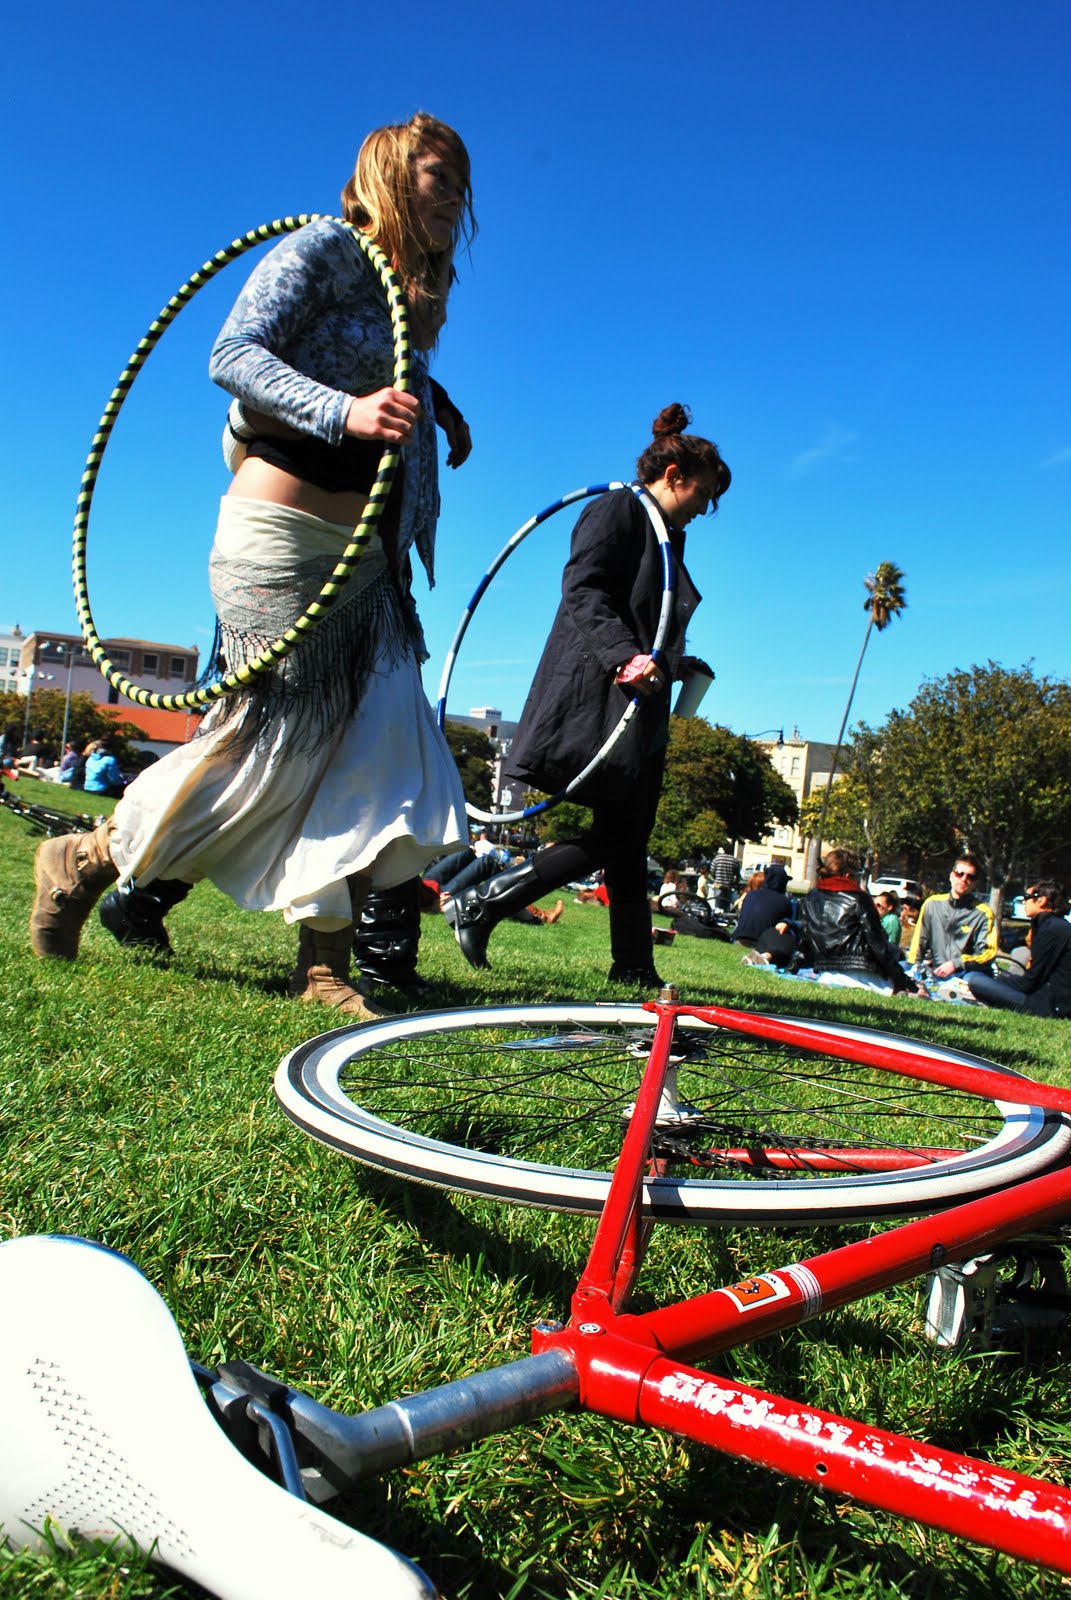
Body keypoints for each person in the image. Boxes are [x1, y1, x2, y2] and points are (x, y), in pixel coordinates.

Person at [30, 112, 476, 1021]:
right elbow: (232, 355)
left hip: (369, 563)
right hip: (280, 535)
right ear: (390, 171)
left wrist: (435, 404)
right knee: (267, 750)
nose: (457, 194)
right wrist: (347, 415)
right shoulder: (321, 247)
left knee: (388, 747)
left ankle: (322, 963)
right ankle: (87, 858)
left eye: (464, 180)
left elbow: (377, 365)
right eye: (438, 173)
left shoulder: (409, 293)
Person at [450, 403, 731, 987]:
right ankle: (485, 903)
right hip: (603, 700)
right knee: (619, 835)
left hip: (640, 707)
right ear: (674, 477)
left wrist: (675, 663)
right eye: (703, 494)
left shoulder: (668, 537)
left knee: (629, 839)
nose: (706, 509)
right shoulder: (621, 510)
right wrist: (625, 655)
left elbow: (647, 622)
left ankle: (632, 965)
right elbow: (584, 591)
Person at [799, 849, 918, 995]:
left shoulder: (811, 897)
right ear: (849, 875)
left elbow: (805, 937)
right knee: (916, 992)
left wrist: (793, 967)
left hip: (825, 972)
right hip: (862, 975)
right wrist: (901, 979)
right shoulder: (859, 899)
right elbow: (878, 946)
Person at [966, 881, 1071, 1017]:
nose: (1024, 902)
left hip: (1050, 1006)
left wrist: (998, 979)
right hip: (1053, 999)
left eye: (1026, 897)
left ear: (1041, 900)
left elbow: (1029, 982)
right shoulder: (1057, 926)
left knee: (976, 980)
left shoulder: (1051, 930)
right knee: (987, 979)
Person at [908, 855, 997, 978]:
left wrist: (956, 964)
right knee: (901, 966)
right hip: (935, 970)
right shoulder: (932, 904)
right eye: (959, 874)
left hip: (966, 974)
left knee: (976, 981)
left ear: (975, 883)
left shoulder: (983, 913)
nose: (964, 879)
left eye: (970, 877)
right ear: (951, 876)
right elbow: (918, 943)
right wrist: (913, 967)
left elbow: (988, 953)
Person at [734, 862, 796, 966]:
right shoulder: (784, 901)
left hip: (740, 939)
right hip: (762, 942)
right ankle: (764, 957)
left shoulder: (750, 895)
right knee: (787, 932)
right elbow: (782, 927)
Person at [710, 844, 738, 911]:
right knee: (726, 904)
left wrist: (715, 878)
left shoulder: (717, 858)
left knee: (717, 904)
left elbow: (712, 871)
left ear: (724, 849)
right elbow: (736, 874)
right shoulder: (734, 860)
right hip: (728, 886)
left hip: (718, 885)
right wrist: (735, 883)